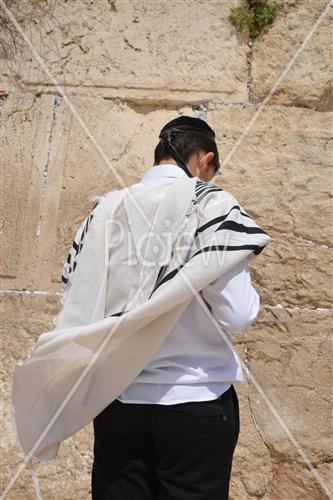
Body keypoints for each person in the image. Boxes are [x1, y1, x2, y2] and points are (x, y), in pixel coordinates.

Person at [90, 116, 261, 500]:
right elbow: (238, 314)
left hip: (119, 401)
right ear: (205, 159)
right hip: (194, 402)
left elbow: (84, 300)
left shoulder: (106, 209)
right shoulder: (213, 204)